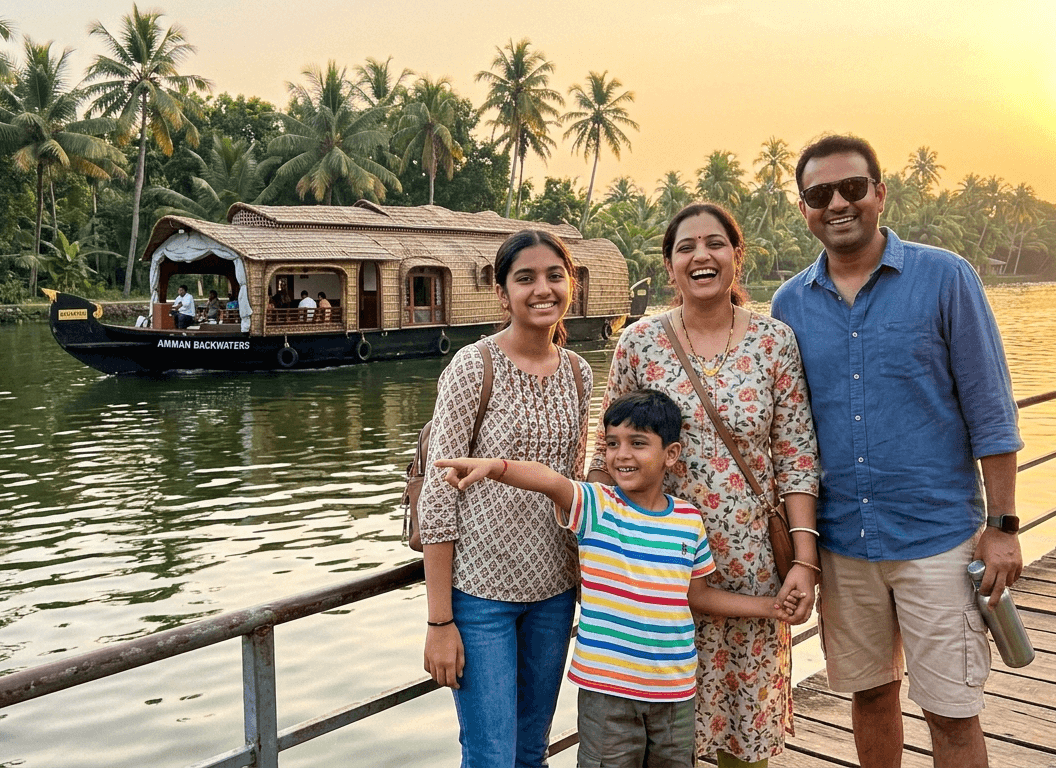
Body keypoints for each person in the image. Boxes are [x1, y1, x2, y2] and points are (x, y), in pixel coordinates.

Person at [771, 134, 1024, 768]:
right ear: (803, 207)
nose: (837, 203)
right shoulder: (789, 305)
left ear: (879, 193)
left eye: (851, 188)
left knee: (952, 710)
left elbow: (991, 412)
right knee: (870, 697)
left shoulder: (945, 278)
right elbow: (783, 430)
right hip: (842, 544)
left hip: (936, 538)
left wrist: (1002, 527)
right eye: (819, 193)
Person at [435, 389, 804, 768]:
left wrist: (770, 607)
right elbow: (548, 480)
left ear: (671, 455)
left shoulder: (688, 521)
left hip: (675, 694)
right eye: (612, 443)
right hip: (608, 694)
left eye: (638, 443)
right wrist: (496, 467)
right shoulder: (597, 507)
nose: (621, 454)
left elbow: (699, 595)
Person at [589, 203, 820, 768]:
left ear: (737, 257)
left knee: (746, 734)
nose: (701, 256)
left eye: (715, 244)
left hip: (753, 565)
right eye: (685, 247)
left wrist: (804, 563)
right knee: (662, 738)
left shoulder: (774, 341)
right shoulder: (639, 344)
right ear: (669, 266)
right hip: (657, 568)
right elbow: (608, 451)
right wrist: (600, 558)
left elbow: (795, 455)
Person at [419, 229, 594, 768]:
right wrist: (439, 622)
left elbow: (574, 483)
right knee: (492, 756)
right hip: (480, 596)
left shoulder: (579, 373)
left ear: (571, 285)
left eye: (554, 276)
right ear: (502, 293)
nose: (542, 290)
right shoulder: (475, 367)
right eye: (525, 279)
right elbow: (438, 495)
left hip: (554, 592)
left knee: (530, 752)